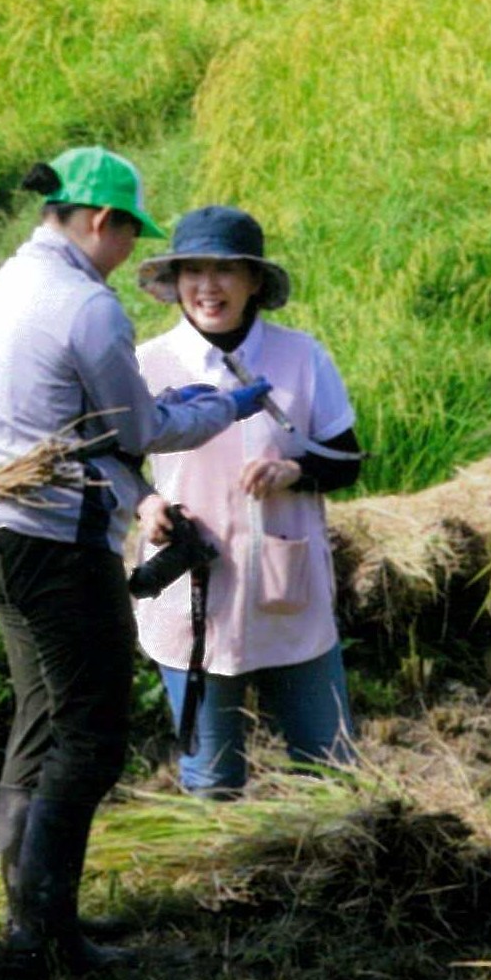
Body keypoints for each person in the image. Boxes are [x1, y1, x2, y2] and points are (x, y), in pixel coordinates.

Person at [0, 149, 270, 968]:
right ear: (101, 222)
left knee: (41, 724)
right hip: (56, 542)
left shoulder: (5, 285)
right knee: (91, 737)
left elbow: (94, 419)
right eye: (131, 236)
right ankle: (44, 934)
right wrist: (219, 407)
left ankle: (25, 912)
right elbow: (134, 434)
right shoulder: (85, 305)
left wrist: (162, 406)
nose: (132, 254)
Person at [128, 204, 364, 800]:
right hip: (194, 590)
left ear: (255, 280)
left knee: (331, 771)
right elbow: (114, 464)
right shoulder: (147, 363)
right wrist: (146, 506)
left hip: (289, 587)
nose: (208, 287)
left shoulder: (301, 357)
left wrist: (293, 469)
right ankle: (222, 889)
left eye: (226, 270)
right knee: (211, 782)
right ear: (175, 281)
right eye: (193, 271)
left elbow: (347, 460)